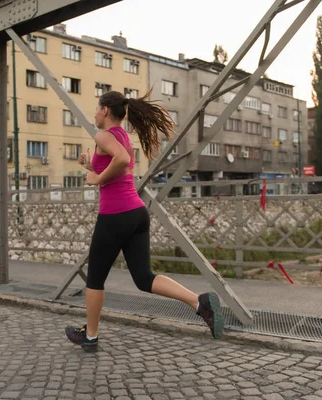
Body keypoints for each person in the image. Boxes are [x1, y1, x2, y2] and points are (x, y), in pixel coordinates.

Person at [64, 90, 224, 352]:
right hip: (137, 214)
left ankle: (90, 336)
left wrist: (97, 178)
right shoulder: (123, 137)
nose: (94, 113)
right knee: (143, 277)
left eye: (96, 108)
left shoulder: (103, 135)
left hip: (115, 215)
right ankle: (199, 302)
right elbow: (119, 168)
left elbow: (122, 162)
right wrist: (90, 167)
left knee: (94, 279)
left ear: (105, 111)